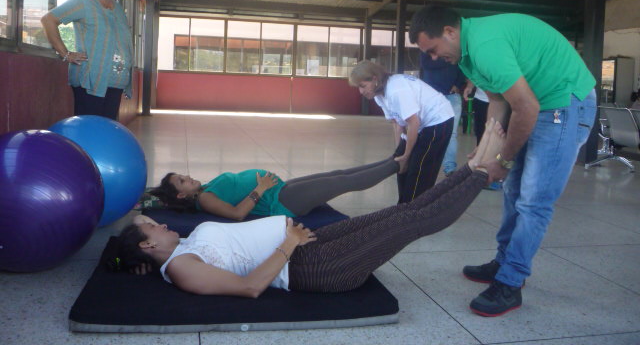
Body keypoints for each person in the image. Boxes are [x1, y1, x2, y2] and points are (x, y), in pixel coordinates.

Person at [107, 120, 505, 299]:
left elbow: (140, 221)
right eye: (153, 229)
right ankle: (481, 174)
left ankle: (471, 167)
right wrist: (289, 244)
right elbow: (249, 288)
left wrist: (135, 257)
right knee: (411, 221)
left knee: (398, 212)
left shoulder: (174, 248)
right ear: (147, 247)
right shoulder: (181, 268)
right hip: (311, 266)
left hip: (304, 244)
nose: (158, 223)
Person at [409, 5, 596, 317]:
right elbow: (497, 101)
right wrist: (487, 149)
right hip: (538, 103)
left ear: (450, 32)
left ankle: (511, 282)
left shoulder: (485, 47)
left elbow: (526, 107)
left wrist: (503, 161)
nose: (432, 58)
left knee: (534, 201)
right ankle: (504, 261)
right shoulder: (466, 54)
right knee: (511, 192)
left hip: (564, 105)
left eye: (432, 49)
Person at [149, 157, 399, 220]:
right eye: (182, 181)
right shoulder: (204, 200)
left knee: (337, 174)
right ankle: (399, 166)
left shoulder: (204, 188)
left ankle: (394, 160)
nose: (188, 176)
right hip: (281, 203)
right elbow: (237, 215)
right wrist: (261, 187)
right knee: (342, 183)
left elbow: (151, 194)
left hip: (280, 190)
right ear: (182, 195)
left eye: (183, 175)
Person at [41, 0, 133, 120]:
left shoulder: (118, 9)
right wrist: (66, 53)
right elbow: (49, 20)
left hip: (115, 82)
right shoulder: (84, 1)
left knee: (106, 131)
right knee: (89, 130)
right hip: (91, 81)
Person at [349, 60, 454, 204]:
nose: (361, 92)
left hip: (439, 119)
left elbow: (413, 122)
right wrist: (401, 152)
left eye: (362, 86)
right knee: (400, 164)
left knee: (419, 168)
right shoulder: (379, 94)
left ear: (374, 79)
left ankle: (414, 209)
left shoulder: (396, 90)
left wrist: (407, 155)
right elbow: (397, 123)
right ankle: (403, 204)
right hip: (420, 122)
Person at [420, 53, 467, 176]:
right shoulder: (428, 48)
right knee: (428, 131)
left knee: (452, 134)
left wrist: (458, 84)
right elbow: (426, 64)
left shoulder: (453, 47)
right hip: (431, 96)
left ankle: (450, 168)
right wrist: (450, 59)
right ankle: (426, 166)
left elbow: (463, 67)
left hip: (452, 95)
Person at [463, 82, 500, 191]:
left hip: (500, 102)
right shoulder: (476, 66)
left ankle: (496, 176)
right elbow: (475, 73)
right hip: (481, 100)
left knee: (497, 138)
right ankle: (482, 173)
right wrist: (470, 86)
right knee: (481, 138)